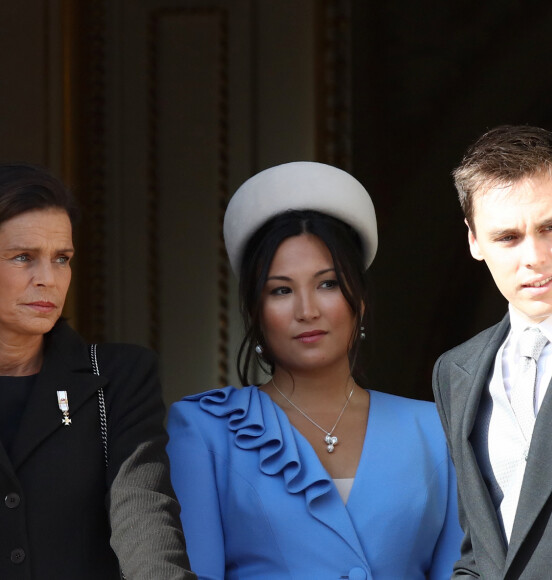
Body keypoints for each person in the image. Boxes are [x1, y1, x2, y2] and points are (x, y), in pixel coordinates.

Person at [167, 161, 462, 579]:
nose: (307, 311)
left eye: (327, 284)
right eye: (281, 290)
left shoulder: (435, 429)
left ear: (358, 299)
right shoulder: (205, 430)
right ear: (256, 310)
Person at [0, 163, 196, 579]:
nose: (48, 279)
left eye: (62, 259)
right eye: (23, 258)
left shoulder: (119, 376)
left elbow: (144, 514)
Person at [433, 125, 552, 578]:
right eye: (508, 238)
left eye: (550, 227)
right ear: (475, 241)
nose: (533, 256)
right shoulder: (456, 371)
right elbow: (481, 554)